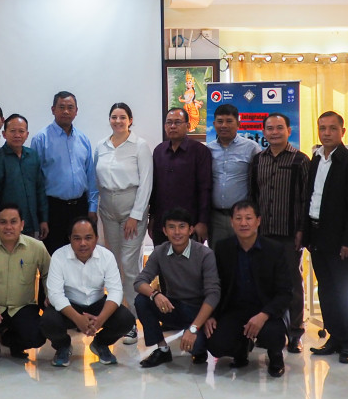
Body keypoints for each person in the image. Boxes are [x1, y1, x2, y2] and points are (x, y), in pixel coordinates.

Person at [303, 111, 348, 364]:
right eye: (322, 128)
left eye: (332, 128)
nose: (326, 133)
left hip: (342, 239)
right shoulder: (316, 159)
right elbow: (311, 198)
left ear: (343, 131)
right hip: (317, 234)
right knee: (327, 290)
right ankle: (335, 336)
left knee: (346, 291)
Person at [205, 200, 293, 377]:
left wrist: (263, 315)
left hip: (266, 310)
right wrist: (212, 315)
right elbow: (217, 285)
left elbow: (285, 292)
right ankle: (241, 350)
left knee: (273, 335)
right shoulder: (223, 248)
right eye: (238, 218)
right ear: (231, 222)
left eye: (248, 218)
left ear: (258, 221)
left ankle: (275, 355)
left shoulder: (275, 250)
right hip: (235, 309)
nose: (243, 223)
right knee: (215, 344)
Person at [248, 113, 309, 352]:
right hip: (262, 234)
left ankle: (295, 333)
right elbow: (252, 197)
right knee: (262, 283)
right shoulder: (257, 161)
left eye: (279, 128)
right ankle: (266, 331)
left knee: (293, 283)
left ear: (288, 131)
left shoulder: (300, 160)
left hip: (288, 233)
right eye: (270, 128)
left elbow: (306, 199)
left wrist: (302, 230)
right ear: (263, 132)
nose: (274, 132)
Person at [93, 102, 152, 346]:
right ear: (109, 119)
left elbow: (146, 182)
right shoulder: (101, 146)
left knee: (129, 267)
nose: (118, 121)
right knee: (113, 266)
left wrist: (135, 215)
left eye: (122, 117)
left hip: (132, 210)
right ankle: (118, 316)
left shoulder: (139, 146)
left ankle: (134, 323)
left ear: (130, 120)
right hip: (107, 209)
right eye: (114, 117)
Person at [41, 218, 136, 367]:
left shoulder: (107, 256)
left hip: (98, 304)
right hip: (69, 305)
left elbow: (116, 291)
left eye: (88, 238)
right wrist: (78, 319)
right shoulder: (59, 256)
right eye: (77, 238)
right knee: (48, 321)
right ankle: (63, 346)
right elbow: (55, 295)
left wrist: (100, 320)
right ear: (70, 239)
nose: (83, 243)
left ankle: (100, 343)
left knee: (126, 320)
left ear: (96, 239)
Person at [133, 207, 220, 368]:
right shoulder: (160, 252)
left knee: (198, 347)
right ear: (165, 231)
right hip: (173, 307)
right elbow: (139, 282)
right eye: (171, 227)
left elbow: (213, 294)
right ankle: (162, 349)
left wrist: (194, 329)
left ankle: (197, 345)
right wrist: (155, 294)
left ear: (191, 229)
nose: (177, 232)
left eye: (182, 227)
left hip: (197, 310)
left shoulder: (205, 254)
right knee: (142, 300)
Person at [0, 204, 51, 368]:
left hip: (21, 307)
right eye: (3, 222)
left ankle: (13, 343)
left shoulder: (36, 247)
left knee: (38, 335)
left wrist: (49, 294)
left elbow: (48, 274)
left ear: (22, 224)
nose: (9, 227)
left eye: (13, 222)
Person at [30, 91, 96, 255]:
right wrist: (41, 217)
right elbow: (35, 181)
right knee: (54, 257)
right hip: (53, 208)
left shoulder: (83, 139)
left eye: (70, 107)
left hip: (80, 207)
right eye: (61, 107)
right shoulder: (40, 139)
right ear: (53, 109)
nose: (66, 111)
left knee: (80, 256)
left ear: (76, 111)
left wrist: (92, 207)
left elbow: (91, 177)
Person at [148, 107, 211, 245]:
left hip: (190, 224)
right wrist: (152, 218)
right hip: (162, 224)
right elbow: (154, 188)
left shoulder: (200, 151)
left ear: (188, 126)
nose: (172, 126)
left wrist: (202, 222)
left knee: (189, 264)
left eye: (177, 122)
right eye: (169, 123)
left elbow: (205, 188)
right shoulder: (159, 151)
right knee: (163, 263)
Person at [0, 114, 48, 238]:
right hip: (8, 226)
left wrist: (43, 219)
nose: (17, 135)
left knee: (31, 256)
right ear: (4, 134)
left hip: (32, 222)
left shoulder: (32, 156)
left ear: (27, 134)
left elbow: (40, 189)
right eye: (12, 131)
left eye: (21, 131)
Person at [206, 103, 259, 246]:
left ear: (238, 123)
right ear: (214, 124)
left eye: (229, 121)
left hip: (243, 217)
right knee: (218, 259)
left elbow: (258, 182)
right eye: (220, 121)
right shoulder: (207, 150)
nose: (224, 125)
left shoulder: (251, 148)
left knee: (245, 259)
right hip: (215, 217)